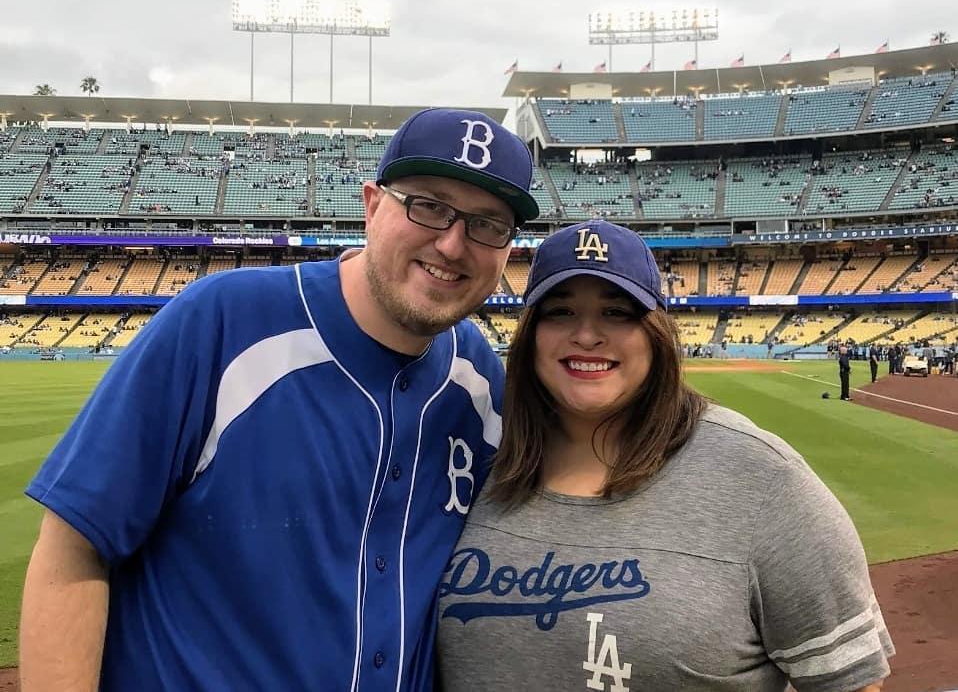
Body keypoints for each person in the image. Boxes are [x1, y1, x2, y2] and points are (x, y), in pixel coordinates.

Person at [19, 107, 539, 691]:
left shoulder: (479, 381)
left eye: (488, 224)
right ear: (372, 205)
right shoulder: (222, 321)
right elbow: (72, 553)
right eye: (428, 206)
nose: (451, 243)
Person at [437, 220, 893, 691]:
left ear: (656, 332)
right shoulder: (478, 457)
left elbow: (852, 683)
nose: (587, 335)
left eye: (617, 312)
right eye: (560, 312)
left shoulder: (764, 481)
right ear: (531, 333)